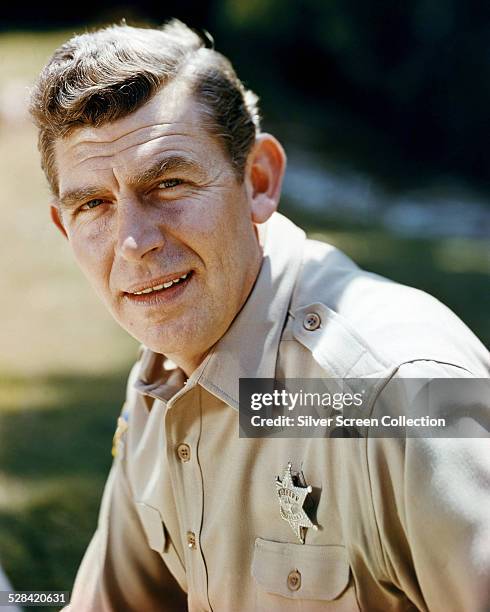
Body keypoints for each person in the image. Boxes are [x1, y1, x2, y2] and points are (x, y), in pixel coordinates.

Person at [29, 19, 489, 612]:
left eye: (169, 183)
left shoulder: (401, 391)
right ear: (65, 228)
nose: (134, 242)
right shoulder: (164, 381)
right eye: (94, 205)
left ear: (259, 180)